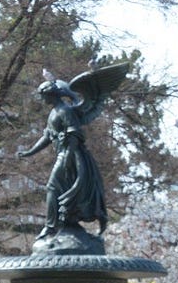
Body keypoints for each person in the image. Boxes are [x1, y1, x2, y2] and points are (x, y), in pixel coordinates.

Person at [17, 64, 129, 240]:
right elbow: (47, 136)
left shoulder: (65, 111)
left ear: (50, 95)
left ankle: (50, 226)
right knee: (61, 188)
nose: (41, 100)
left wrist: (68, 157)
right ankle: (63, 222)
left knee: (53, 186)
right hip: (64, 154)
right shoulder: (54, 112)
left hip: (71, 155)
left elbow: (74, 134)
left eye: (43, 96)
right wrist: (29, 152)